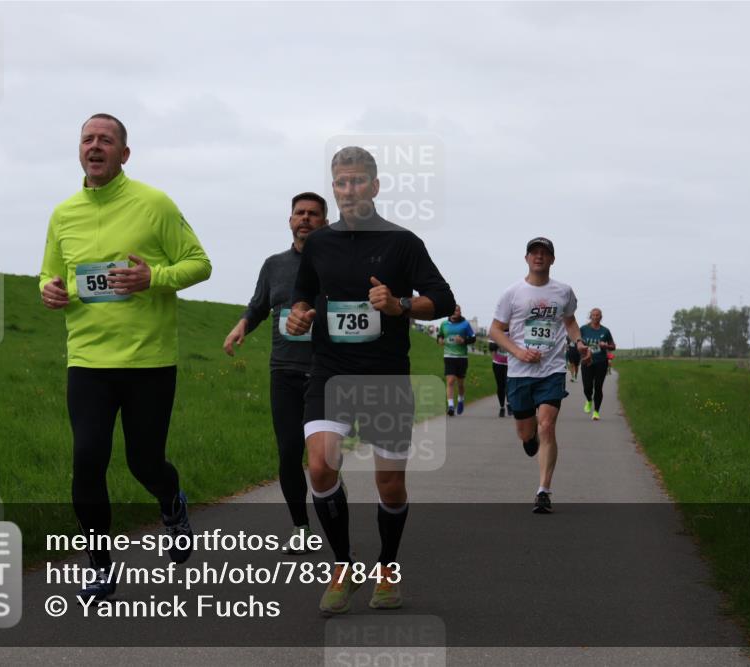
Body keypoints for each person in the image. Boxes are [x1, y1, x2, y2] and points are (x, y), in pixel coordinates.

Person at [39, 113, 211, 601]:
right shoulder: (63, 213)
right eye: (88, 139)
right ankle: (99, 563)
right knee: (87, 461)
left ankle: (171, 502)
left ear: (124, 154)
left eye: (106, 140)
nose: (95, 146)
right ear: (79, 151)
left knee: (144, 461)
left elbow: (200, 263)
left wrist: (152, 277)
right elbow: (49, 275)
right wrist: (49, 291)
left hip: (148, 362)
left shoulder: (153, 204)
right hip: (88, 361)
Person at [287, 146, 454, 614]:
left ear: (375, 187)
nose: (349, 190)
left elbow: (441, 299)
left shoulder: (403, 242)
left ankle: (387, 568)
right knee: (319, 467)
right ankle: (342, 566)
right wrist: (299, 317)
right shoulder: (319, 244)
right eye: (341, 182)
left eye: (358, 181)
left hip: (384, 376)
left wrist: (400, 304)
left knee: (390, 485)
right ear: (334, 187)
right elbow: (303, 297)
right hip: (329, 372)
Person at [223, 192, 328, 554]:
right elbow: (258, 306)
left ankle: (332, 510)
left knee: (324, 459)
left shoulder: (336, 264)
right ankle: (301, 527)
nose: (306, 219)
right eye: (299, 213)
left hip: (326, 372)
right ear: (290, 220)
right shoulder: (274, 265)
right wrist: (240, 327)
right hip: (284, 370)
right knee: (288, 452)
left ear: (324, 222)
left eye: (314, 214)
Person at [489, 237, 588, 514]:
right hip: (520, 371)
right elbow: (495, 331)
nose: (539, 257)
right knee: (526, 432)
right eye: (534, 252)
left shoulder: (564, 292)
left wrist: (579, 343)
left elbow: (569, 321)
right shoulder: (512, 293)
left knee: (547, 425)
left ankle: (543, 490)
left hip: (551, 369)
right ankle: (528, 438)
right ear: (526, 258)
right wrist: (518, 352)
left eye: (545, 253)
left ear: (552, 259)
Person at [437, 305, 476, 416]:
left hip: (462, 357)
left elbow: (473, 338)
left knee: (460, 384)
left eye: (457, 310)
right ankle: (450, 406)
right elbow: (440, 335)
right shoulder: (444, 324)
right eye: (453, 310)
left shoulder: (465, 324)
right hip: (448, 356)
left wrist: (463, 340)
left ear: (460, 312)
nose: (454, 312)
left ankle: (461, 399)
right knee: (450, 381)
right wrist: (439, 340)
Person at [580, 308, 616, 420]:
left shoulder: (605, 331)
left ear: (601, 317)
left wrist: (606, 346)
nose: (595, 317)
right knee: (587, 387)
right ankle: (589, 400)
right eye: (593, 315)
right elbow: (577, 343)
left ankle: (596, 412)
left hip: (601, 361)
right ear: (590, 316)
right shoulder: (583, 329)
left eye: (598, 315)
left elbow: (613, 346)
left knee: (598, 387)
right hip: (587, 361)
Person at [488, 337, 510, 418]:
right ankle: (502, 407)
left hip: (511, 364)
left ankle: (509, 403)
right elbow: (491, 347)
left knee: (509, 384)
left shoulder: (512, 329)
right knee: (500, 386)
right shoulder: (495, 330)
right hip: (498, 363)